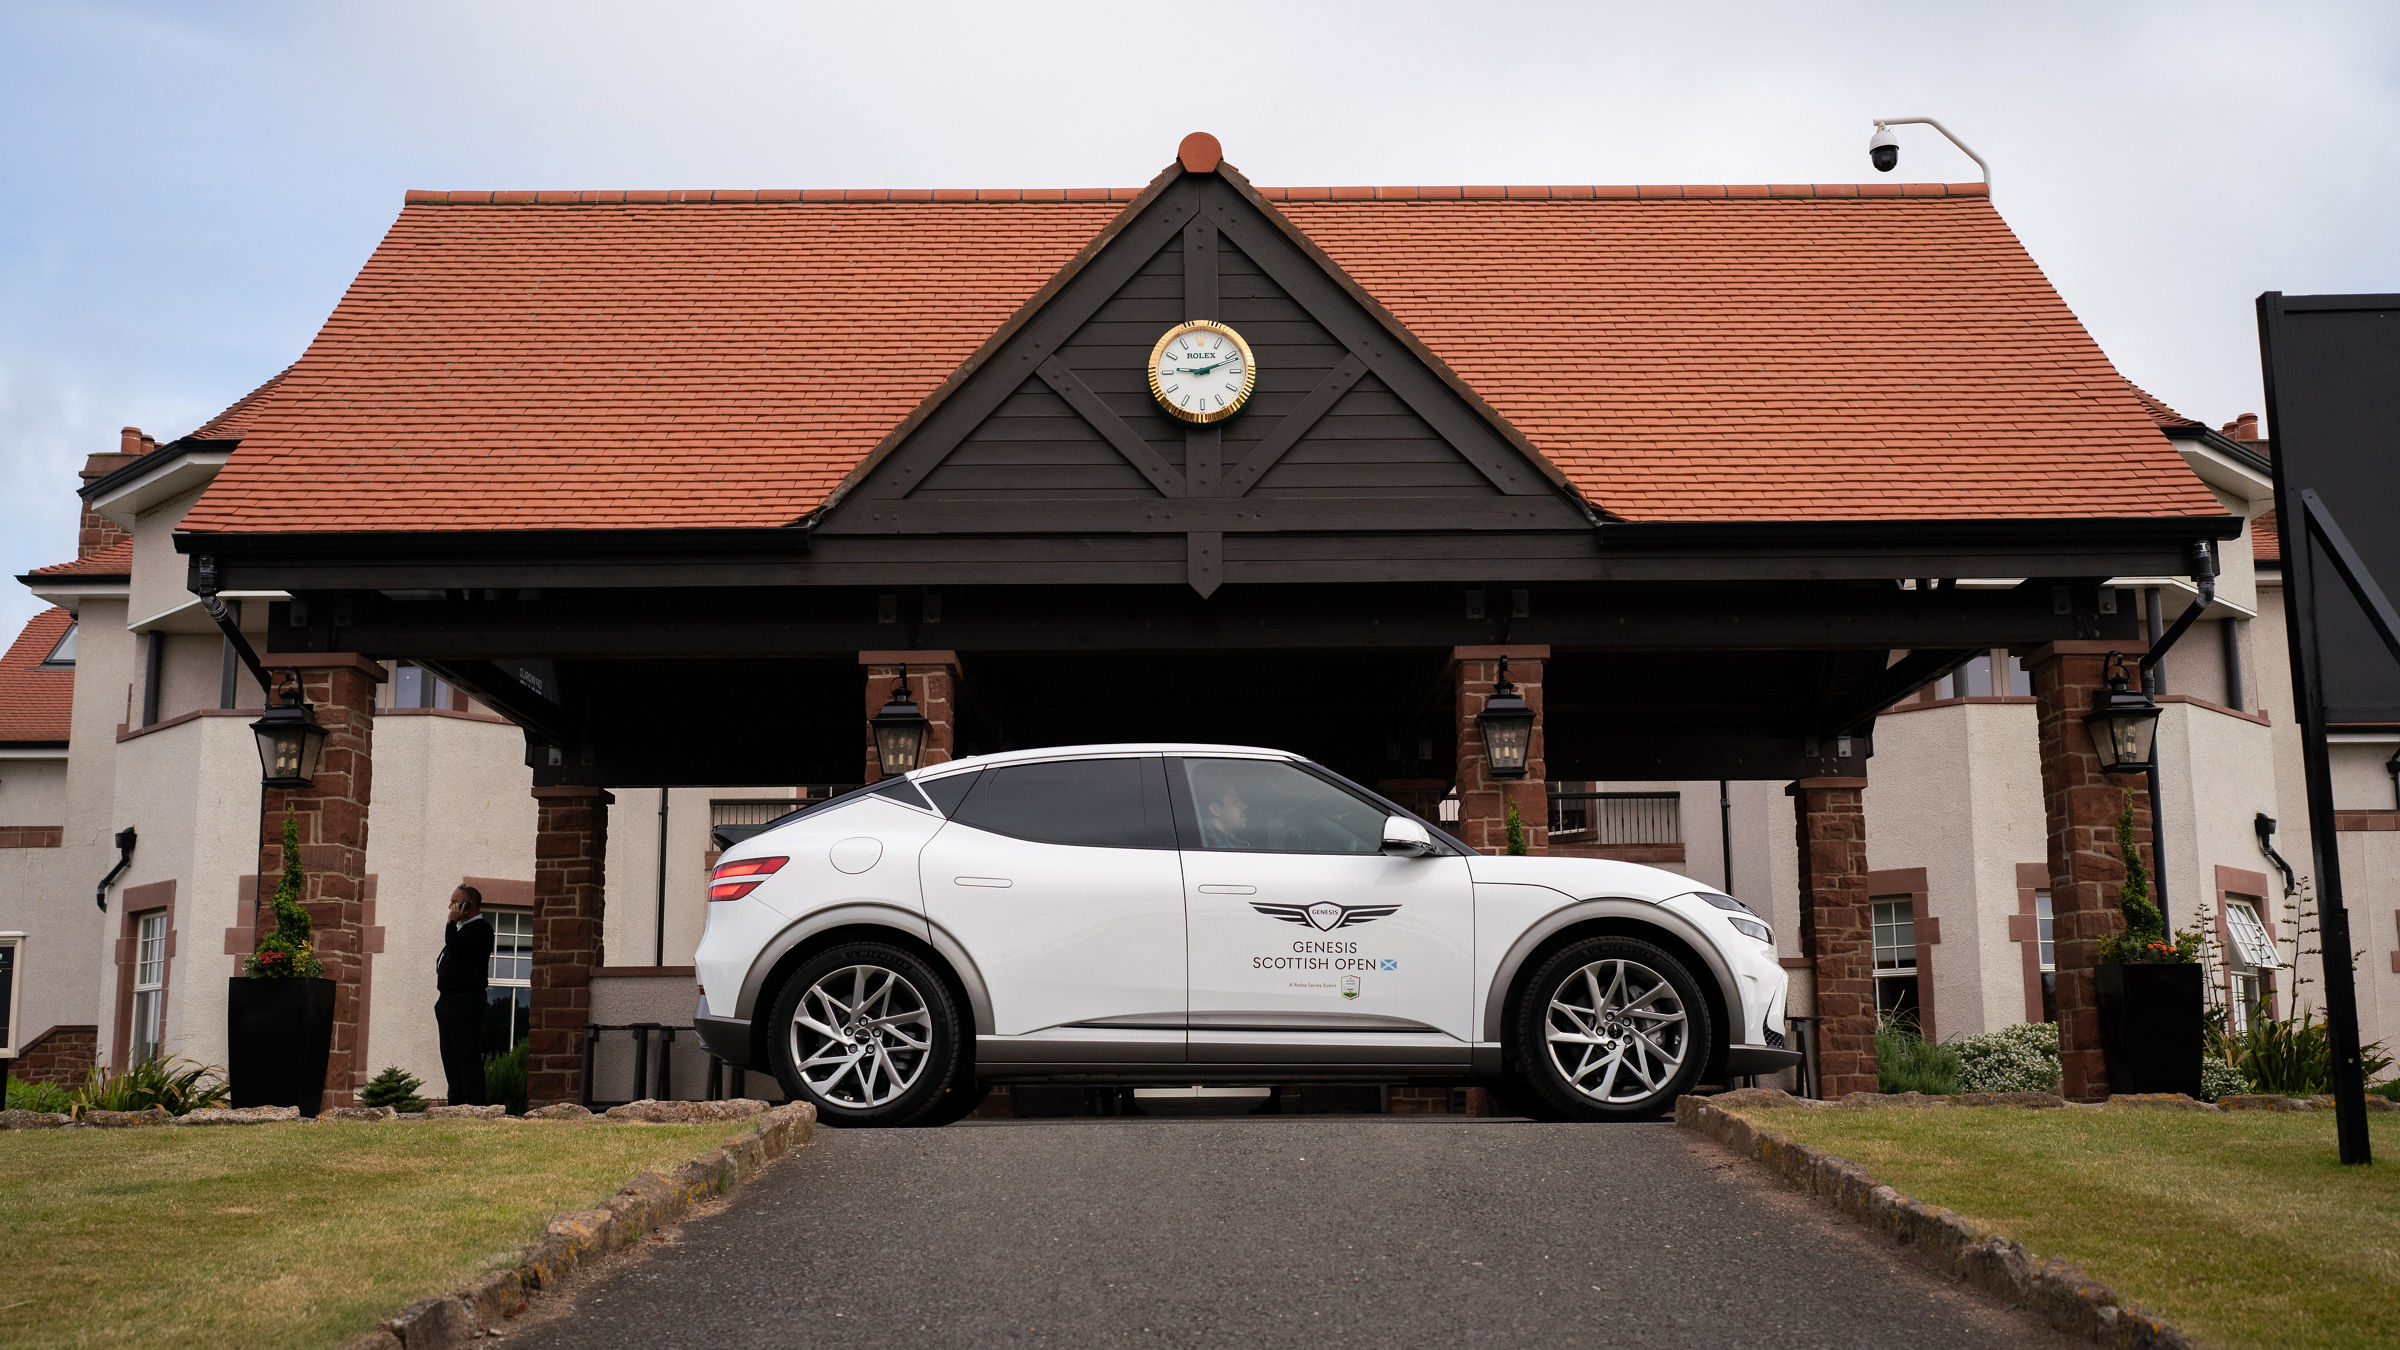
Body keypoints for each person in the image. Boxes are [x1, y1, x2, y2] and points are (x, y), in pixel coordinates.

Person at [434, 884, 493, 1107]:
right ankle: (455, 1103)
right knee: (450, 1057)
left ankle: (475, 1104)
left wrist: (450, 922)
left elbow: (456, 948)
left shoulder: (481, 929)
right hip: (448, 1003)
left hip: (465, 1003)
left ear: (467, 906)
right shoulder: (462, 930)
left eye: (454, 903)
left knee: (466, 1055)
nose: (451, 908)